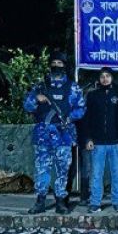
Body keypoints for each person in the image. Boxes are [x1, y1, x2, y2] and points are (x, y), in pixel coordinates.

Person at [22, 51, 86, 214]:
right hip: (43, 136)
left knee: (63, 170)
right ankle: (40, 201)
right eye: (54, 63)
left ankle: (60, 201)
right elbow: (27, 106)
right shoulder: (40, 86)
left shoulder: (72, 87)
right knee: (42, 169)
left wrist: (69, 118)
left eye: (60, 63)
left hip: (64, 135)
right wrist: (37, 98)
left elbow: (81, 109)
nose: (56, 66)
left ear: (65, 66)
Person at [81, 67, 118, 212]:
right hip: (98, 142)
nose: (105, 79)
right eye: (102, 76)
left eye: (107, 76)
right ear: (99, 79)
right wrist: (88, 138)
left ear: (112, 78)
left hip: (115, 141)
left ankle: (117, 202)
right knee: (96, 174)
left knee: (117, 173)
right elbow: (87, 119)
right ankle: (95, 202)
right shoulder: (92, 96)